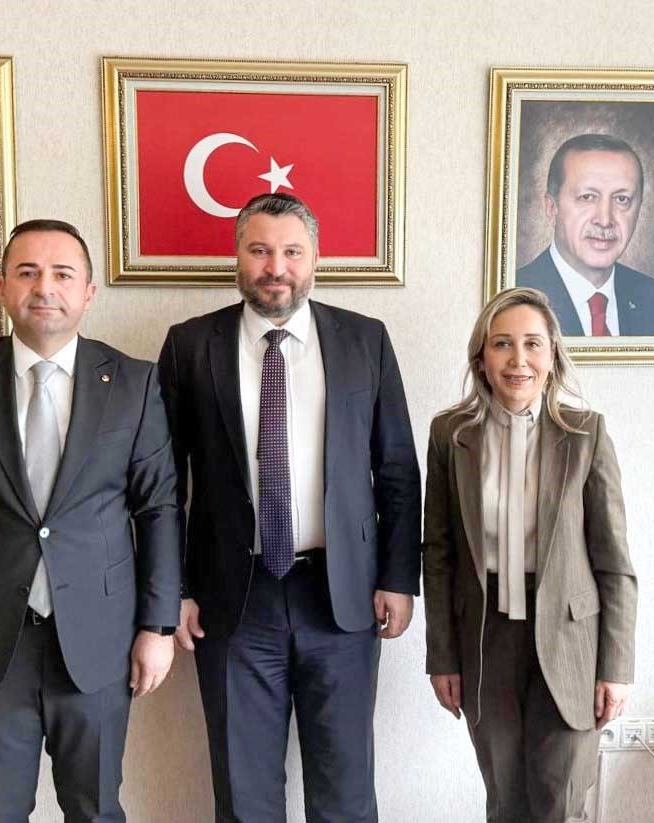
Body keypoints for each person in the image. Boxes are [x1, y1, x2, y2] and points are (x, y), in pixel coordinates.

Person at [0, 219, 180, 821]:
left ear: (88, 293)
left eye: (62, 274)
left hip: (100, 640)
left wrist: (157, 627)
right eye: (27, 273)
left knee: (95, 808)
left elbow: (158, 509)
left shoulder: (134, 383)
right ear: (2, 287)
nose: (44, 287)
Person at [158, 193, 422, 822]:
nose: (276, 267)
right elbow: (163, 485)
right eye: (260, 250)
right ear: (238, 256)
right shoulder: (190, 345)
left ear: (315, 259)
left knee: (345, 793)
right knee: (244, 796)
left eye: (291, 252)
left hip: (343, 597)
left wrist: (397, 578)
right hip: (231, 601)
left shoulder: (364, 341)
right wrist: (175, 590)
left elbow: (396, 469)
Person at [422, 287, 637, 822]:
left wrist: (616, 666)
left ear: (553, 355)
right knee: (505, 796)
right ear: (482, 358)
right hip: (485, 636)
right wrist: (441, 656)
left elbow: (614, 562)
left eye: (532, 344)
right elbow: (439, 555)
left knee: (558, 798)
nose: (518, 360)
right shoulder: (451, 435)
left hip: (569, 636)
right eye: (502, 344)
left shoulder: (585, 435)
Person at [516, 133, 654, 337]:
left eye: (621, 199)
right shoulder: (513, 295)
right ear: (551, 209)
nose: (604, 220)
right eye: (587, 197)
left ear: (639, 209)